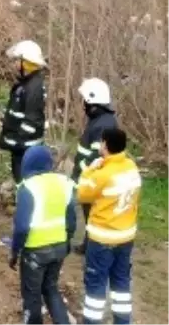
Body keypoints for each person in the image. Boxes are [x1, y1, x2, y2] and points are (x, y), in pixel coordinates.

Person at [76, 127, 139, 325]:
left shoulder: (103, 174)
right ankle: (122, 322)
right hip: (126, 237)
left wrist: (90, 170)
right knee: (121, 283)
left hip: (103, 238)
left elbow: (82, 194)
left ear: (105, 145)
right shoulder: (131, 167)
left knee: (96, 286)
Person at [9, 144, 75, 325]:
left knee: (31, 296)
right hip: (59, 247)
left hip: (35, 252)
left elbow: (22, 227)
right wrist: (66, 243)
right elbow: (71, 221)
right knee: (51, 288)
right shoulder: (65, 183)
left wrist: (15, 252)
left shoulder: (27, 187)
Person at [71, 78, 119, 254]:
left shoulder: (102, 124)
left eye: (84, 99)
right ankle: (89, 243)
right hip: (90, 178)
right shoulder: (100, 120)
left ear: (92, 102)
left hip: (93, 180)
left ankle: (93, 246)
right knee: (89, 213)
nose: (82, 103)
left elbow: (96, 158)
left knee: (92, 213)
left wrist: (82, 174)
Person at [0, 40, 48, 184]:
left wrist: (16, 140)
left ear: (26, 63)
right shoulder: (26, 83)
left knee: (25, 185)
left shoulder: (34, 87)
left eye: (17, 61)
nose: (14, 64)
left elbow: (31, 121)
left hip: (26, 149)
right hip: (21, 148)